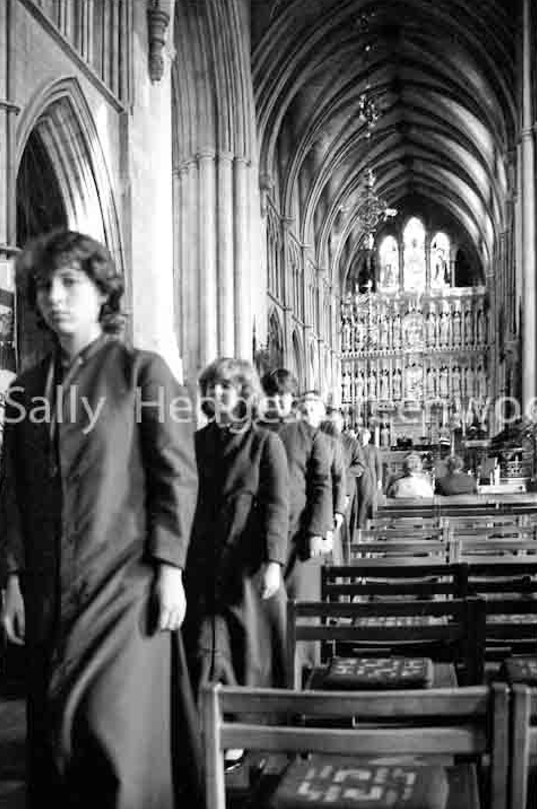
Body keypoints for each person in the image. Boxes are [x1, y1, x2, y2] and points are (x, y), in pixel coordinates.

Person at [0, 230, 203, 808]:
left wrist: (170, 568)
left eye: (70, 282)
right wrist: (11, 578)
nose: (54, 297)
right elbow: (12, 490)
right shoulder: (26, 391)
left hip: (125, 589)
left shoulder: (143, 373)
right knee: (58, 749)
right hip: (47, 592)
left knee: (117, 747)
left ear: (101, 291)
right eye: (43, 286)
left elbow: (177, 475)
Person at [259, 370, 332, 603]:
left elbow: (322, 484)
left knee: (301, 602)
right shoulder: (253, 432)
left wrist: (316, 531)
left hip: (299, 529)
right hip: (263, 530)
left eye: (286, 395)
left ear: (294, 398)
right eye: (274, 395)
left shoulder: (310, 435)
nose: (280, 400)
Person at [299, 392, 346, 564]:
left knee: (327, 560)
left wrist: (338, 510)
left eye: (313, 410)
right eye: (305, 411)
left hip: (325, 509)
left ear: (320, 416)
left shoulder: (331, 443)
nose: (308, 415)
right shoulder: (293, 439)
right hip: (301, 508)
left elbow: (339, 477)